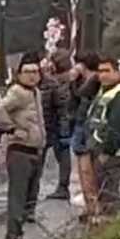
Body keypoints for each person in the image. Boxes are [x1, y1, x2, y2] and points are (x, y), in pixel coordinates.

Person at [0, 57, 45, 239]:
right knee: (18, 196)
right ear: (19, 74)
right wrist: (12, 128)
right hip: (21, 150)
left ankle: (18, 235)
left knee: (29, 197)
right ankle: (13, 237)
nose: (32, 75)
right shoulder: (18, 92)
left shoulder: (35, 93)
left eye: (35, 71)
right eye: (27, 72)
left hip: (34, 150)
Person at [84, 57, 120, 221]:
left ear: (117, 72)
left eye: (107, 71)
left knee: (109, 193)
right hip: (98, 148)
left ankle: (110, 226)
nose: (102, 75)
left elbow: (117, 126)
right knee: (102, 191)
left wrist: (106, 151)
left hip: (111, 152)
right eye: (100, 71)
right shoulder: (104, 90)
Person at [36, 50, 73, 206]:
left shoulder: (56, 82)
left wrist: (64, 131)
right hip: (50, 125)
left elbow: (62, 108)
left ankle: (61, 187)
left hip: (53, 125)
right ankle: (59, 187)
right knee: (56, 158)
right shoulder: (56, 81)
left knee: (56, 157)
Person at [68, 52, 101, 218]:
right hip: (80, 123)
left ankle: (90, 202)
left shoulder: (94, 80)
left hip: (85, 125)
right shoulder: (88, 80)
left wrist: (74, 79)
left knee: (86, 167)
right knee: (81, 165)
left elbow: (80, 94)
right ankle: (87, 201)